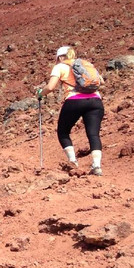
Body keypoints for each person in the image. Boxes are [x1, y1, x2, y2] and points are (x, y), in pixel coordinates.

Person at [36, 46, 105, 175]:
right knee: (93, 134)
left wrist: (40, 93)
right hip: (96, 101)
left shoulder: (60, 67)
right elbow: (101, 81)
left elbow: (50, 87)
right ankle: (97, 166)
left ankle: (73, 162)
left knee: (63, 131)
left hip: (74, 101)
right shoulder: (86, 65)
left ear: (61, 57)